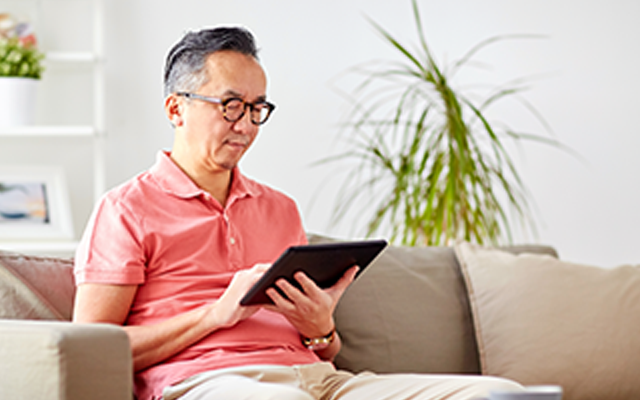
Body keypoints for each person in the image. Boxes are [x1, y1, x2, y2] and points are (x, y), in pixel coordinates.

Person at [72, 26, 523, 400]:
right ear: (176, 108)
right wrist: (215, 314)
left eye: (257, 108)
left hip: (319, 381)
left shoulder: (279, 208)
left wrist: (322, 330)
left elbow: (325, 351)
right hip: (210, 381)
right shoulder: (125, 209)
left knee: (500, 395)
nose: (246, 125)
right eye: (230, 105)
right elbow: (87, 352)